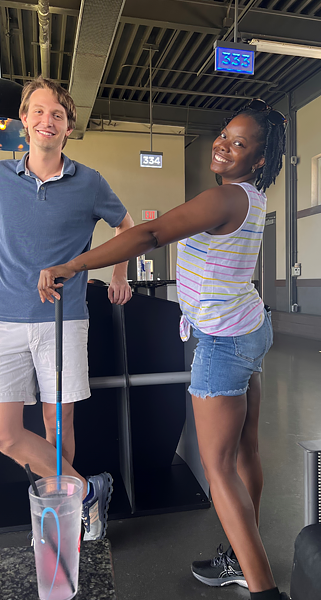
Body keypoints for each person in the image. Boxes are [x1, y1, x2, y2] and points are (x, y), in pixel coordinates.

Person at [37, 99, 290, 600]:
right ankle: (240, 557)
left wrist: (73, 265)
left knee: (217, 469)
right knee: (244, 452)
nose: (223, 145)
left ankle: (264, 590)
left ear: (258, 160)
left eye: (239, 144)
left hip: (223, 341)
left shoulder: (225, 199)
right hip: (249, 327)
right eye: (224, 134)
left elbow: (150, 233)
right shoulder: (252, 197)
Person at [0, 76, 134, 541]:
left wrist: (119, 275)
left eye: (57, 114)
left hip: (64, 321)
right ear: (23, 120)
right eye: (38, 112)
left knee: (56, 425)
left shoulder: (89, 182)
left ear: (68, 127)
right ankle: (84, 490)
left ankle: (64, 514)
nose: (47, 120)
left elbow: (127, 225)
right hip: (5, 321)